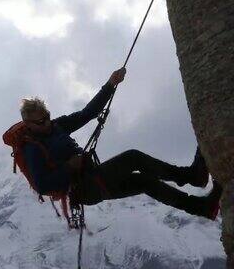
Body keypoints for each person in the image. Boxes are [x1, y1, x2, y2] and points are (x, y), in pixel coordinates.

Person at [12, 67, 222, 220]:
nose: (47, 122)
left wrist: (110, 84)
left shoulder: (57, 126)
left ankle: (201, 207)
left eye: (47, 116)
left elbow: (88, 113)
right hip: (85, 187)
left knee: (143, 182)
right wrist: (69, 166)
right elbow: (42, 185)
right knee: (133, 158)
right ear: (28, 124)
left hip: (93, 179)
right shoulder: (32, 149)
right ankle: (191, 176)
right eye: (41, 121)